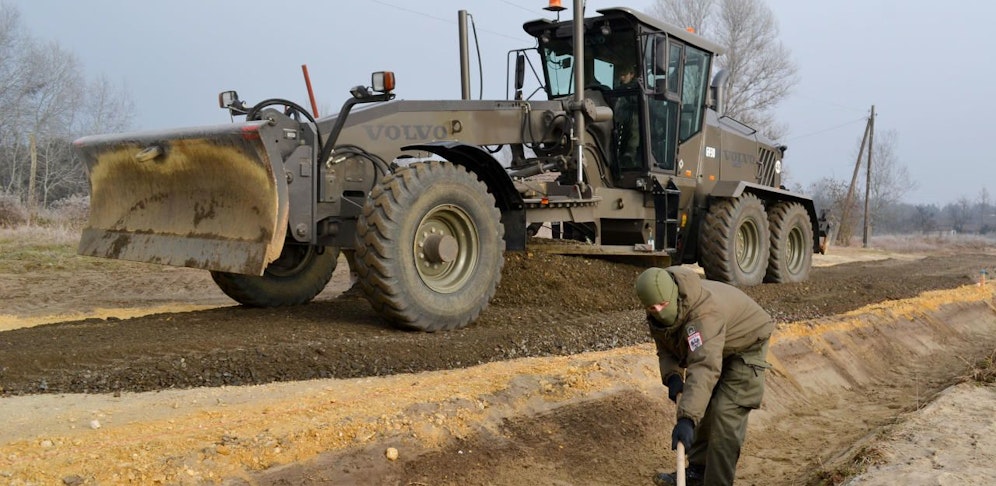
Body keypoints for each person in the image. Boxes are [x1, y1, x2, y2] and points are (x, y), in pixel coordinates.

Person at [634, 266, 774, 486]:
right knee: (702, 403)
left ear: (672, 296)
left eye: (663, 305)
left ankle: (717, 482)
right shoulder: (659, 308)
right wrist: (672, 376)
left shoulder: (704, 314)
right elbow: (666, 347)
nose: (659, 311)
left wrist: (686, 419)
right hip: (716, 344)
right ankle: (697, 472)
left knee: (724, 413)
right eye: (653, 308)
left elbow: (704, 366)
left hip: (746, 344)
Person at [613, 65, 641, 169]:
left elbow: (638, 103)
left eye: (624, 75)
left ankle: (630, 153)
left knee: (634, 121)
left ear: (632, 74)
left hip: (632, 116)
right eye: (620, 75)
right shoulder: (618, 89)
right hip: (620, 117)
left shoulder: (637, 88)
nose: (622, 78)